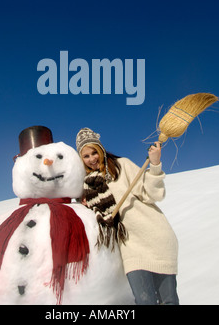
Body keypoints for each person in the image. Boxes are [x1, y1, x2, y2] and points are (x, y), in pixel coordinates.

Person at [76, 127, 179, 305]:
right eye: (86, 156)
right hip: (129, 246)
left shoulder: (121, 166)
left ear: (101, 149)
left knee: (168, 300)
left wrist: (154, 165)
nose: (92, 158)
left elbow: (152, 194)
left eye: (94, 152)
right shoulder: (87, 186)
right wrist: (83, 205)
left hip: (155, 236)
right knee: (144, 301)